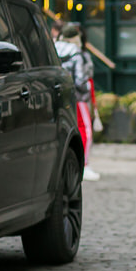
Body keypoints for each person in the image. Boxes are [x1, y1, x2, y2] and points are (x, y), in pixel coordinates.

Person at [55, 23, 100, 181]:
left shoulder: (54, 49)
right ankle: (84, 164)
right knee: (85, 130)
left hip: (60, 98)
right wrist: (87, 88)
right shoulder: (77, 53)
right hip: (78, 99)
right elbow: (81, 80)